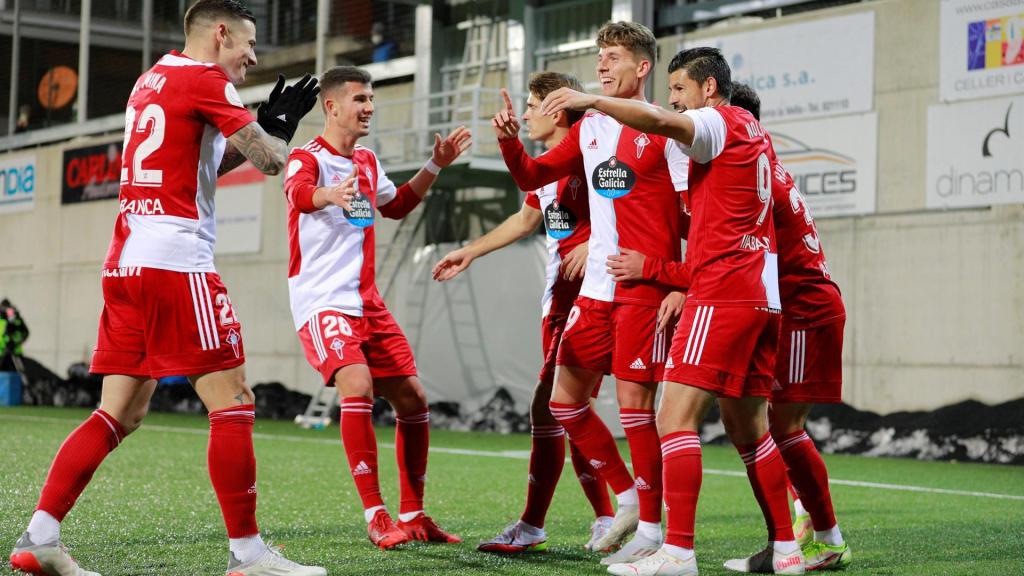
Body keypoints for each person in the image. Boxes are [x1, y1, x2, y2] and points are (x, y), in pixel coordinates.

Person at [8, 2, 326, 575]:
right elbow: (272, 161)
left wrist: (259, 126)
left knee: (119, 414)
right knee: (233, 401)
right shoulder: (207, 79)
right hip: (176, 263)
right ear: (219, 33)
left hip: (127, 262)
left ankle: (41, 537)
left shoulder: (151, 78)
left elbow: (202, 165)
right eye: (248, 45)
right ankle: (248, 555)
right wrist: (278, 127)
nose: (252, 59)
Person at [542, 48, 806, 575]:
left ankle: (678, 553)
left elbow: (662, 120)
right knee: (750, 429)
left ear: (709, 89)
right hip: (762, 294)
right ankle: (786, 549)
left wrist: (591, 99)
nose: (673, 101)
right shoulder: (756, 134)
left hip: (723, 290)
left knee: (673, 418)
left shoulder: (715, 120)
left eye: (680, 88)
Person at [493, 21, 690, 565]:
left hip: (644, 287)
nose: (601, 66)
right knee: (564, 402)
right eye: (598, 57)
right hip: (597, 290)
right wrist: (510, 140)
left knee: (635, 409)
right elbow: (534, 173)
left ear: (642, 66)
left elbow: (691, 217)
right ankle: (627, 501)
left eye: (612, 57)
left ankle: (652, 531)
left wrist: (676, 280)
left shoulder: (667, 131)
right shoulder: (593, 127)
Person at [282, 65, 470, 551]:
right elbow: (299, 194)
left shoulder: (366, 160)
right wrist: (328, 194)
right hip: (322, 301)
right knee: (358, 384)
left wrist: (435, 166)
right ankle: (375, 513)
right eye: (360, 99)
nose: (369, 107)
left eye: (371, 99)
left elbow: (398, 205)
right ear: (332, 106)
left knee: (413, 399)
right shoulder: (307, 157)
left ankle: (414, 515)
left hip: (367, 303)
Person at [433, 71, 617, 553]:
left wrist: (597, 248)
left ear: (556, 111)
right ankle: (602, 518)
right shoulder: (551, 166)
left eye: (533, 106)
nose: (528, 115)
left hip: (592, 294)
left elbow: (633, 209)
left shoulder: (592, 150)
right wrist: (470, 250)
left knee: (557, 405)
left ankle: (601, 516)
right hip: (558, 299)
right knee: (564, 409)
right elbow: (525, 218)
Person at [0, 298, 29, 373]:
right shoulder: (2, 320)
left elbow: (25, 333)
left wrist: (14, 342)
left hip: (14, 353)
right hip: (2, 353)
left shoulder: (15, 319)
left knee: (18, 374)